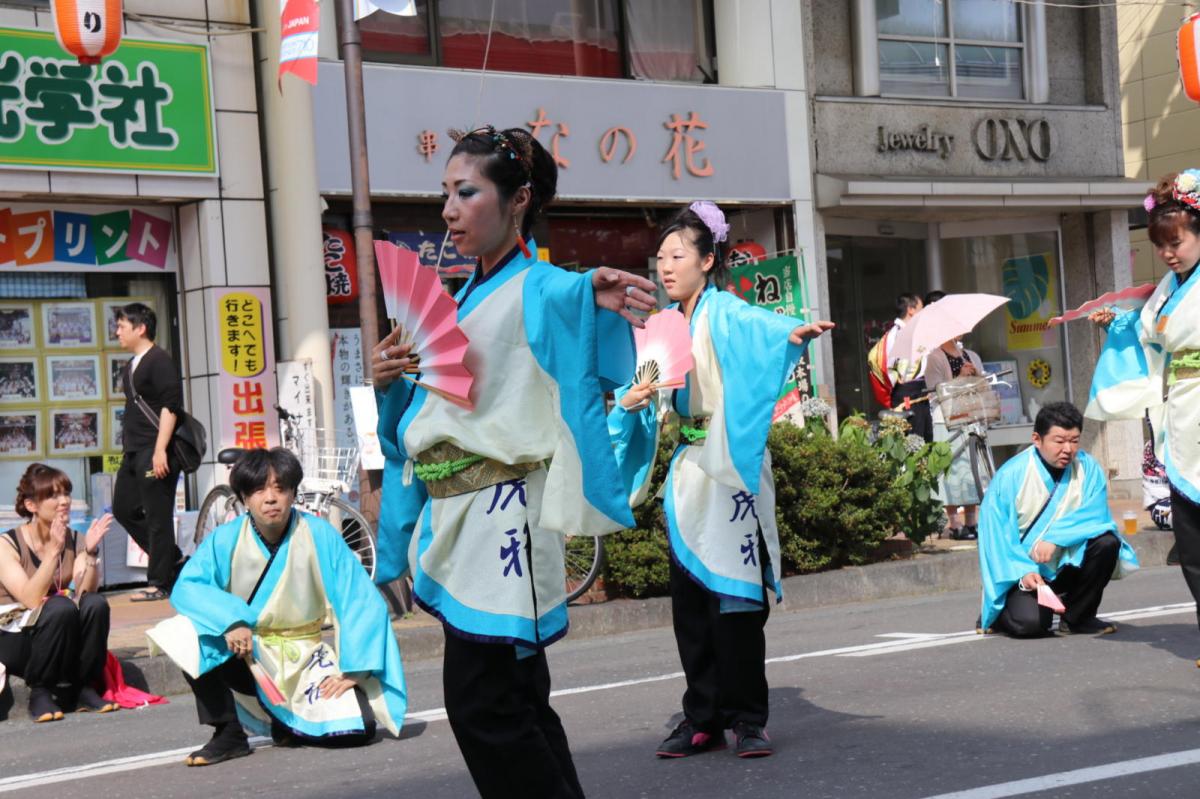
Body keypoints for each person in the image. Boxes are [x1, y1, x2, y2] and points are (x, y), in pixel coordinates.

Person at [371, 125, 656, 799]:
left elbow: (565, 294)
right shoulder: (462, 296)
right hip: (466, 521)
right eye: (445, 193)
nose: (448, 209)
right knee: (516, 701)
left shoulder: (537, 286)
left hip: (504, 520)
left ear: (519, 198)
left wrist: (592, 288)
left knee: (484, 705)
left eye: (466, 192)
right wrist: (389, 380)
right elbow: (425, 418)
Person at [609, 202, 833, 759]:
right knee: (691, 604)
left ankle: (748, 718)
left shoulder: (724, 311)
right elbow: (643, 399)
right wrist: (630, 400)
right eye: (660, 257)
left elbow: (760, 328)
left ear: (708, 260)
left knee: (736, 604)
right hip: (688, 472)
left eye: (678, 256)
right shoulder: (663, 327)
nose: (665, 267)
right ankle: (701, 714)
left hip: (730, 465)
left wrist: (792, 332)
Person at [146, 448, 406, 766]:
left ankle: (286, 723)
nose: (271, 498)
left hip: (305, 657)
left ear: (293, 493)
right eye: (259, 490)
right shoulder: (225, 538)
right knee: (181, 632)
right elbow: (188, 588)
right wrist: (231, 620)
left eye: (280, 489)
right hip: (248, 653)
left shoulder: (319, 534)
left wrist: (354, 669)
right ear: (244, 497)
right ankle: (228, 733)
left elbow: (359, 600)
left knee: (359, 730)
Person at [1087, 169, 1200, 654]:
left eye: (1176, 241)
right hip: (1179, 415)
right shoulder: (1167, 289)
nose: (1169, 252)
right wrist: (1120, 323)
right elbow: (1151, 332)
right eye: (1161, 244)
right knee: (1191, 543)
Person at [977, 403, 1138, 637]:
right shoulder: (1010, 476)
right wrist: (1022, 571)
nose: (1067, 449)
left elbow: (1096, 517)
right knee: (1030, 625)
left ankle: (1077, 617)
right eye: (1059, 440)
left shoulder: (1088, 468)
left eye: (1074, 440)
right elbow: (995, 535)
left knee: (1107, 542)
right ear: (1037, 439)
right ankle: (1001, 610)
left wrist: (1056, 539)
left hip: (1066, 562)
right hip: (1022, 570)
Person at [0, 464, 115, 721]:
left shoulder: (74, 538)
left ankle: (84, 687)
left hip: (56, 630)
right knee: (60, 607)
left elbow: (87, 592)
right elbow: (30, 599)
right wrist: (53, 551)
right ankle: (39, 691)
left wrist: (91, 553)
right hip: (14, 637)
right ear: (31, 505)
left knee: (96, 604)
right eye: (53, 495)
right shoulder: (6, 544)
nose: (64, 501)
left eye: (66, 493)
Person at [112, 302, 185, 602]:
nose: (117, 332)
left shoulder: (159, 360)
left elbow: (171, 407)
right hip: (133, 451)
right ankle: (173, 560)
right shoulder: (132, 364)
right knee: (123, 509)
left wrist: (160, 450)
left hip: (155, 450)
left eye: (122, 326)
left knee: (157, 516)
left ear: (140, 328)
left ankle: (159, 582)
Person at [924, 336, 985, 540]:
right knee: (951, 470)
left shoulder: (971, 355)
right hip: (946, 419)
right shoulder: (935, 358)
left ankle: (971, 521)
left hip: (970, 417)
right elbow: (933, 392)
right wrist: (958, 377)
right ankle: (954, 523)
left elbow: (983, 386)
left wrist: (976, 376)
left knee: (971, 470)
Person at [886, 293, 933, 442]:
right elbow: (893, 370)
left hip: (918, 392)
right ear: (911, 310)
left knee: (926, 439)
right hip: (907, 393)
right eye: (921, 308)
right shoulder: (898, 334)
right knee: (915, 443)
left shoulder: (911, 332)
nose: (923, 312)